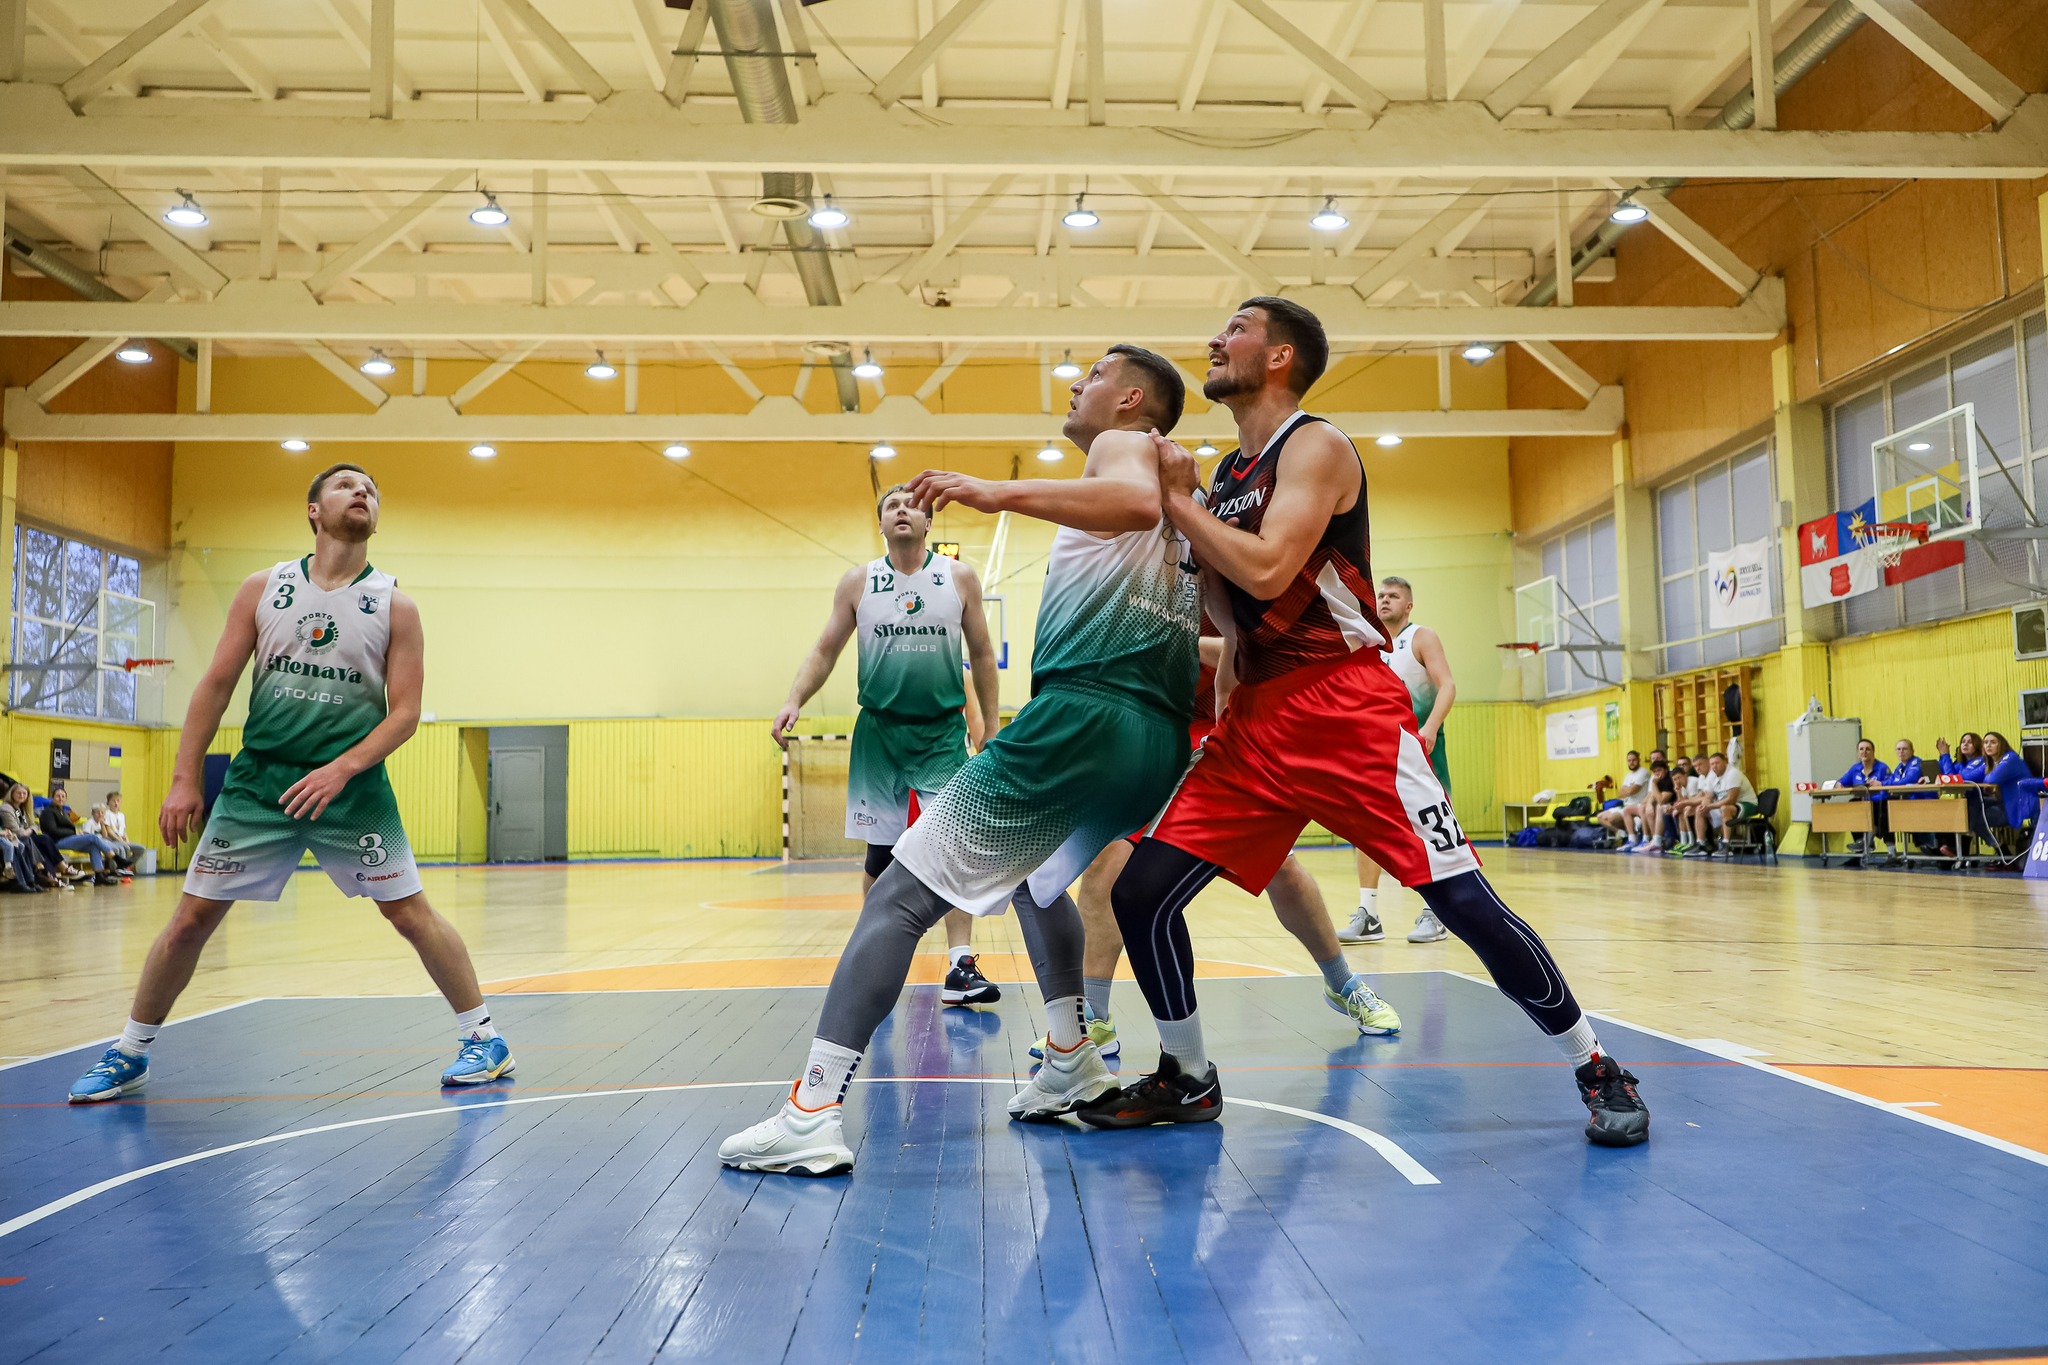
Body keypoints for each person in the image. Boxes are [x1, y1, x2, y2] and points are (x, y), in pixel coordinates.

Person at [1086, 296, 1649, 1148]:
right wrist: (1189, 580)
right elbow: (1233, 607)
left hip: (1346, 708)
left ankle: (1596, 1063)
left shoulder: (1316, 444)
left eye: (1236, 329)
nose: (1214, 339)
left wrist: (1177, 504)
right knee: (1141, 892)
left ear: (1280, 356)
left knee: (1462, 900)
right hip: (1260, 720)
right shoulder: (1228, 477)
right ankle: (1188, 1076)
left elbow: (1270, 570)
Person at [718, 345, 1205, 1177]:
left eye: (1092, 375)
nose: (1075, 384)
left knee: (897, 896)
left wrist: (989, 490)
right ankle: (1070, 1057)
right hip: (1154, 734)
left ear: (1131, 399)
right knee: (1036, 881)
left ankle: (811, 1111)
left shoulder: (1127, 449)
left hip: (1084, 715)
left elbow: (1126, 501)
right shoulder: (1182, 487)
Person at [67, 463, 515, 1103]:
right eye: (347, 485)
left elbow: (405, 714)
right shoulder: (264, 587)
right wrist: (184, 777)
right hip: (259, 785)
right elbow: (215, 685)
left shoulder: (395, 605)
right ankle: (130, 1052)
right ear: (313, 510)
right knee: (191, 919)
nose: (363, 492)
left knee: (409, 913)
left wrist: (342, 768)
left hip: (350, 788)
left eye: (372, 489)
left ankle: (485, 1039)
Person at [1036, 617, 1403, 1065]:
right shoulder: (1136, 590)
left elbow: (1249, 654)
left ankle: (1343, 983)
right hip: (1154, 738)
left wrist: (1182, 643)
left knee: (1282, 869)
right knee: (1107, 861)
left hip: (1232, 731)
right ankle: (1094, 1014)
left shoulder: (1231, 588)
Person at [770, 483, 1003, 1007]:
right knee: (880, 854)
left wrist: (990, 726)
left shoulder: (959, 577)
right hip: (880, 737)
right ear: (880, 525)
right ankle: (871, 957)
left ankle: (960, 967)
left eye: (912, 506)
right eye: (891, 506)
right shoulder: (858, 582)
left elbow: (984, 654)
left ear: (928, 523)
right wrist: (793, 699)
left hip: (942, 735)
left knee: (951, 848)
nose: (902, 511)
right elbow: (825, 650)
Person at [1344, 575, 1456, 945]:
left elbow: (1447, 685)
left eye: (1393, 596)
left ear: (1408, 605)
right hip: (1376, 749)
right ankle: (1368, 914)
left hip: (1419, 747)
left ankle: (1435, 913)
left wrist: (1431, 727)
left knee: (1429, 830)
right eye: (1381, 595)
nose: (1384, 600)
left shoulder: (1422, 637)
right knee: (1366, 828)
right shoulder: (1368, 643)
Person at [41, 786, 122, 885]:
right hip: (56, 842)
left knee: (93, 846)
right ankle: (115, 858)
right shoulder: (48, 812)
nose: (61, 798)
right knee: (93, 837)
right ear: (52, 798)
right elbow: (52, 831)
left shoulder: (63, 812)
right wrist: (74, 832)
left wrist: (74, 832)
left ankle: (99, 876)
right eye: (58, 796)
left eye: (63, 796)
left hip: (67, 839)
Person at [1687, 752, 1758, 859]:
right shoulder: (1712, 775)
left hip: (1747, 804)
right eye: (1712, 764)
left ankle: (1726, 846)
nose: (1714, 766)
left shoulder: (1733, 773)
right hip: (1725, 805)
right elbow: (1708, 796)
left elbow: (1731, 799)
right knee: (1699, 810)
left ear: (1725, 762)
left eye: (1717, 763)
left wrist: (1710, 806)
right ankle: (1701, 845)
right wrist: (1705, 805)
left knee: (1725, 809)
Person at [5, 782, 75, 886]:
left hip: (27, 836)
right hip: (14, 838)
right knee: (44, 839)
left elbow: (34, 825)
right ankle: (62, 867)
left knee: (43, 848)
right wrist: (29, 830)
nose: (22, 796)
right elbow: (17, 831)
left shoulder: (21, 809)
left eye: (24, 793)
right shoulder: (7, 808)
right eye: (19, 793)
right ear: (12, 794)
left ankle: (51, 878)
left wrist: (29, 830)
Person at [1882, 739, 1937, 857]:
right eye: (1898, 749)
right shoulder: (1900, 767)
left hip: (1924, 801)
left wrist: (1881, 784)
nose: (1901, 752)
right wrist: (1883, 784)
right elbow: (1891, 780)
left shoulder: (1916, 763)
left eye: (1905, 749)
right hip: (1910, 802)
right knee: (1884, 809)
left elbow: (1908, 780)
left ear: (1912, 751)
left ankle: (1932, 848)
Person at [1838, 738, 1891, 857]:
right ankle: (1860, 844)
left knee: (1878, 809)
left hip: (1879, 802)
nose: (1864, 752)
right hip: (1863, 803)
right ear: (1858, 752)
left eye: (1868, 749)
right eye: (1861, 749)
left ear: (1873, 752)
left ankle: (1867, 841)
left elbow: (1889, 785)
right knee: (1852, 804)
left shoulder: (1882, 768)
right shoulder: (1855, 769)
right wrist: (1839, 785)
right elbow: (1841, 781)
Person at [1599, 749, 1652, 850]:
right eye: (1629, 760)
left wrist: (1627, 789)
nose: (1631, 763)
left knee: (1612, 819)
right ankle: (1623, 834)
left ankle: (1633, 837)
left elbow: (1633, 790)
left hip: (1637, 806)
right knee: (1600, 817)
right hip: (1625, 805)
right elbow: (1620, 793)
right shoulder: (1628, 776)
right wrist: (1628, 789)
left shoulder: (1643, 772)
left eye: (1634, 760)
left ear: (1639, 760)